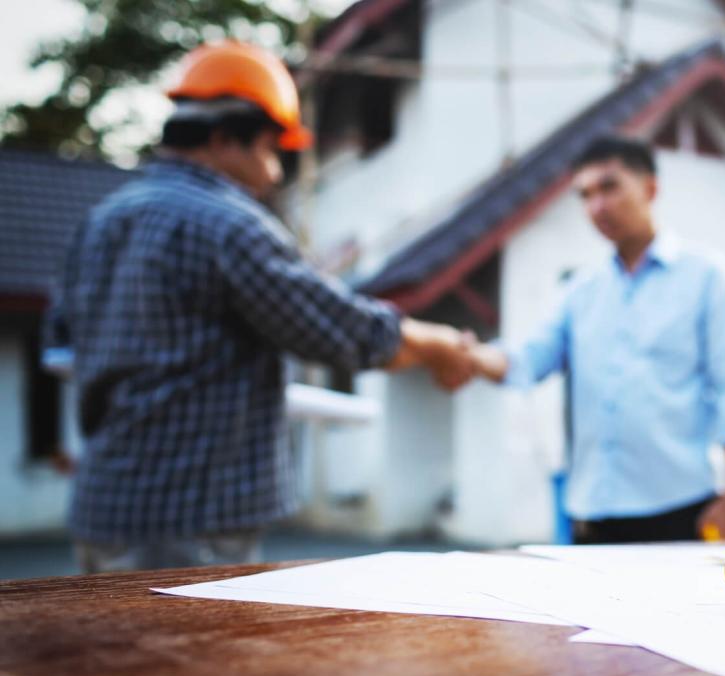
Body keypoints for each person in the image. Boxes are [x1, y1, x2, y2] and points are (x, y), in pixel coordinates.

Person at [45, 41, 474, 573]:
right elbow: (341, 330)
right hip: (189, 524)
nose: (274, 173)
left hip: (102, 508)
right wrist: (441, 346)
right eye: (270, 150)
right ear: (225, 138)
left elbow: (61, 348)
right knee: (192, 659)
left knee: (108, 659)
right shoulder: (227, 225)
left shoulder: (99, 222)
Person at [468, 136, 725, 544]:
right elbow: (529, 361)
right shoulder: (580, 290)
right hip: (592, 513)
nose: (596, 207)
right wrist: (463, 354)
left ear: (650, 188)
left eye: (609, 187)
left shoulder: (709, 276)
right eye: (585, 195)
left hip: (682, 509)